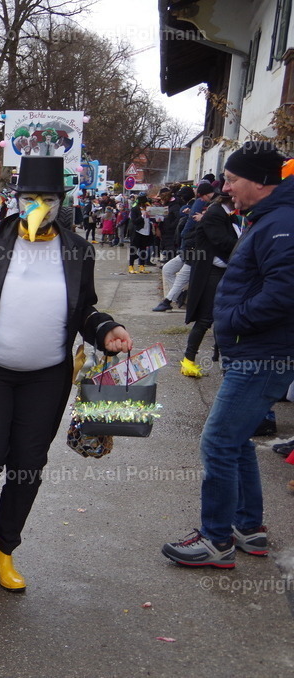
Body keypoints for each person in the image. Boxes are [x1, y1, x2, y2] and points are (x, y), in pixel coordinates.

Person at [0, 156, 132, 592]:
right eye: (29, 198)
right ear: (16, 200)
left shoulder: (78, 250)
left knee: (28, 464)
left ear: (61, 202)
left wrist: (106, 328)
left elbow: (85, 310)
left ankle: (5, 549)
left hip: (47, 376)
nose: (38, 205)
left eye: (47, 198)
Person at [162, 142, 294, 568]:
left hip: (261, 353)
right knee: (235, 442)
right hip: (252, 351)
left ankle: (216, 540)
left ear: (260, 181)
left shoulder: (282, 223)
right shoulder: (270, 218)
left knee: (218, 441)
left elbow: (284, 292)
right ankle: (247, 527)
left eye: (233, 179)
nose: (226, 187)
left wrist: (234, 319)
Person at [177, 191, 239, 378]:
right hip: (210, 273)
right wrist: (245, 246)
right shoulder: (216, 214)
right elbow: (222, 241)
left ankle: (220, 358)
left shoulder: (224, 214)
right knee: (206, 318)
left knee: (223, 317)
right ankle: (188, 360)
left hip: (220, 271)